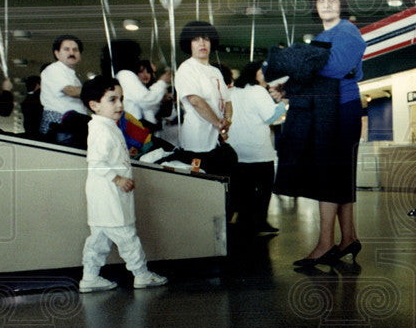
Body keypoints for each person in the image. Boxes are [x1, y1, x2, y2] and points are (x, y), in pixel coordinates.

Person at [273, 0, 366, 268]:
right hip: (331, 110)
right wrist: (292, 83)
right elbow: (317, 73)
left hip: (341, 110)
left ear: (342, 5)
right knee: (339, 176)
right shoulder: (324, 36)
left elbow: (336, 67)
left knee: (329, 176)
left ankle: (326, 243)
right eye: (321, 0)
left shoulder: (347, 31)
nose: (326, 4)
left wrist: (299, 64)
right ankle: (348, 238)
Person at [78, 75, 167, 292]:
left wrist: (125, 154)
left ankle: (89, 277)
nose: (119, 105)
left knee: (98, 240)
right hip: (110, 194)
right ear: (94, 105)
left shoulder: (107, 125)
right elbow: (96, 162)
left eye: (121, 99)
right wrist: (118, 179)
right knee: (127, 236)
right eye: (112, 99)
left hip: (104, 197)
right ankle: (141, 273)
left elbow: (108, 155)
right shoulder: (101, 128)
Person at [174, 21, 236, 190]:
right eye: (196, 39)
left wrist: (227, 121)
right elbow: (195, 101)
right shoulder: (187, 69)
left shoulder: (215, 71)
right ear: (189, 44)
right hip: (197, 142)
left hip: (216, 141)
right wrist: (218, 123)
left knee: (221, 186)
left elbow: (228, 101)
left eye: (206, 39)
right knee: (201, 188)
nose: (202, 43)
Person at [229, 61, 288, 235]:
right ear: (254, 74)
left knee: (243, 191)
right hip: (259, 152)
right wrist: (283, 104)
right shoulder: (258, 91)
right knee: (263, 191)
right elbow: (271, 117)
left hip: (237, 152)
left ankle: (244, 223)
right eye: (263, 73)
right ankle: (260, 222)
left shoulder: (232, 92)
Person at [104, 39, 171, 134]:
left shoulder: (120, 75)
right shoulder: (125, 75)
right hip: (135, 126)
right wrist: (162, 82)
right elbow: (146, 100)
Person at [40, 34, 89, 141]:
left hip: (73, 124)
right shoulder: (54, 69)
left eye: (75, 50)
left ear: (80, 55)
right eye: (66, 49)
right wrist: (98, 93)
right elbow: (70, 91)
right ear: (57, 54)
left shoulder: (72, 75)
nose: (71, 53)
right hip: (60, 124)